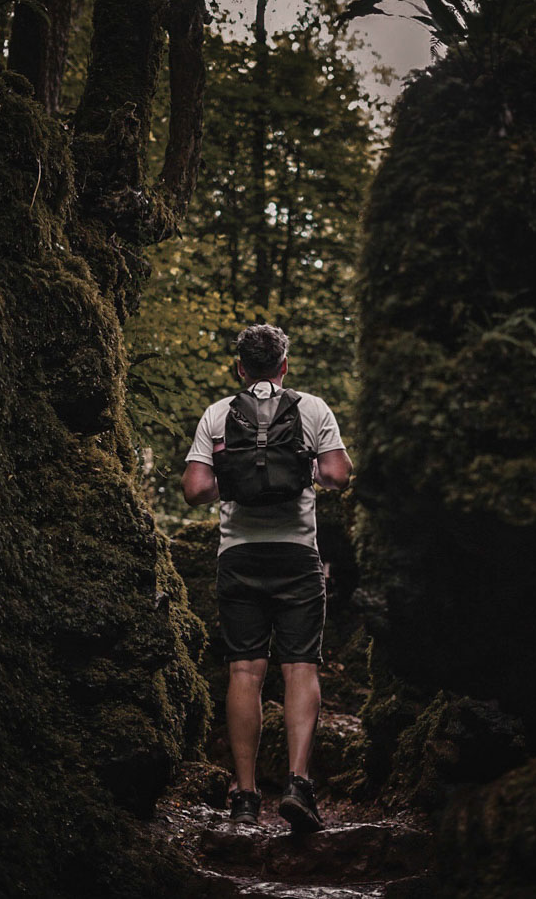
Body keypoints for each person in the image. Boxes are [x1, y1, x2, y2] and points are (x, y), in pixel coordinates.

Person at [180, 324, 352, 831]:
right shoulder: (312, 409)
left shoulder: (218, 414)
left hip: (240, 556)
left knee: (244, 673)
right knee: (300, 668)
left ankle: (247, 796)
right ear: (283, 366)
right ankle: (299, 785)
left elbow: (195, 489)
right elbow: (340, 475)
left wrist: (228, 477)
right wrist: (310, 470)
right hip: (298, 555)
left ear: (240, 367)